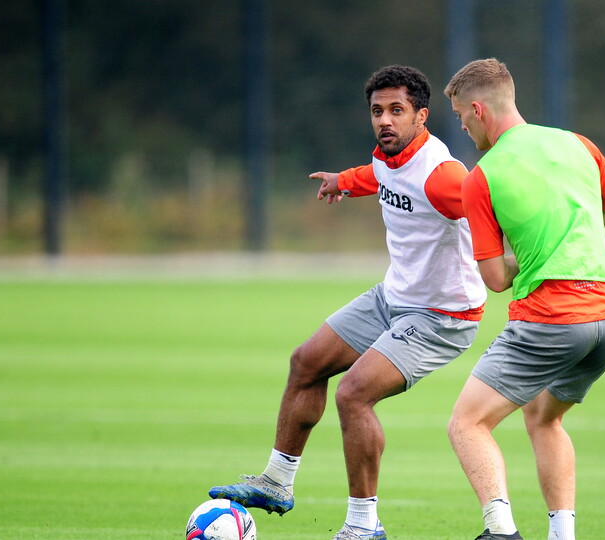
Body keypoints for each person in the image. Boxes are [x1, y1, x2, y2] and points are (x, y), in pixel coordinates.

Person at [209, 65, 487, 540]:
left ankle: (363, 526)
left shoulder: (442, 175)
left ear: (421, 116)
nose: (385, 120)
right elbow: (379, 175)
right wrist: (344, 180)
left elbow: (489, 204)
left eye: (397, 110)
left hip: (443, 316)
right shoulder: (389, 156)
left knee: (353, 394)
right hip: (393, 297)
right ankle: (276, 482)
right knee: (306, 361)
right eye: (377, 111)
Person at [443, 58, 605, 540]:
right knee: (543, 417)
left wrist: (531, 255)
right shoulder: (578, 144)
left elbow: (495, 278)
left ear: (478, 110)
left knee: (467, 423)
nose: (463, 128)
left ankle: (500, 531)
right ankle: (562, 535)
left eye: (462, 117)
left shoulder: (481, 177)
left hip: (553, 318)